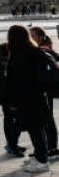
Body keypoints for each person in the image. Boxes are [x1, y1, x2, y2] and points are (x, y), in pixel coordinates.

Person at [5, 25, 51, 172]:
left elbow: (16, 82)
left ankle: (42, 161)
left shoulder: (18, 56)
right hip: (38, 96)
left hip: (26, 99)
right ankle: (40, 156)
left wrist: (13, 102)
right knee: (38, 129)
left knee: (34, 130)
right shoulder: (34, 51)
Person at [31, 26, 59, 160]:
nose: (30, 38)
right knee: (43, 120)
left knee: (47, 119)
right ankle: (43, 148)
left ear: (41, 38)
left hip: (46, 91)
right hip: (41, 90)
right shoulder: (38, 50)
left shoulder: (43, 51)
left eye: (33, 36)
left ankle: (52, 148)